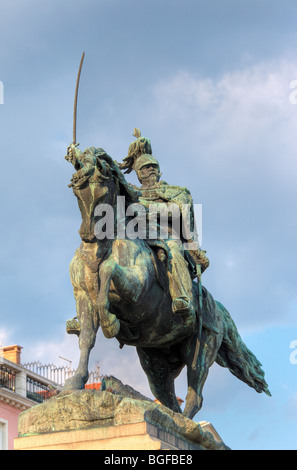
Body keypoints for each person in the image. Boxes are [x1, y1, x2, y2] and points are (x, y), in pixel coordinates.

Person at [119, 129, 209, 322]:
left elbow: (176, 212)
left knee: (175, 252)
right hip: (139, 237)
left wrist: (142, 207)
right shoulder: (130, 192)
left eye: (153, 166)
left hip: (167, 237)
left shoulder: (176, 192)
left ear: (159, 170)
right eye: (144, 168)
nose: (150, 170)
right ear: (138, 174)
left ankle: (181, 297)